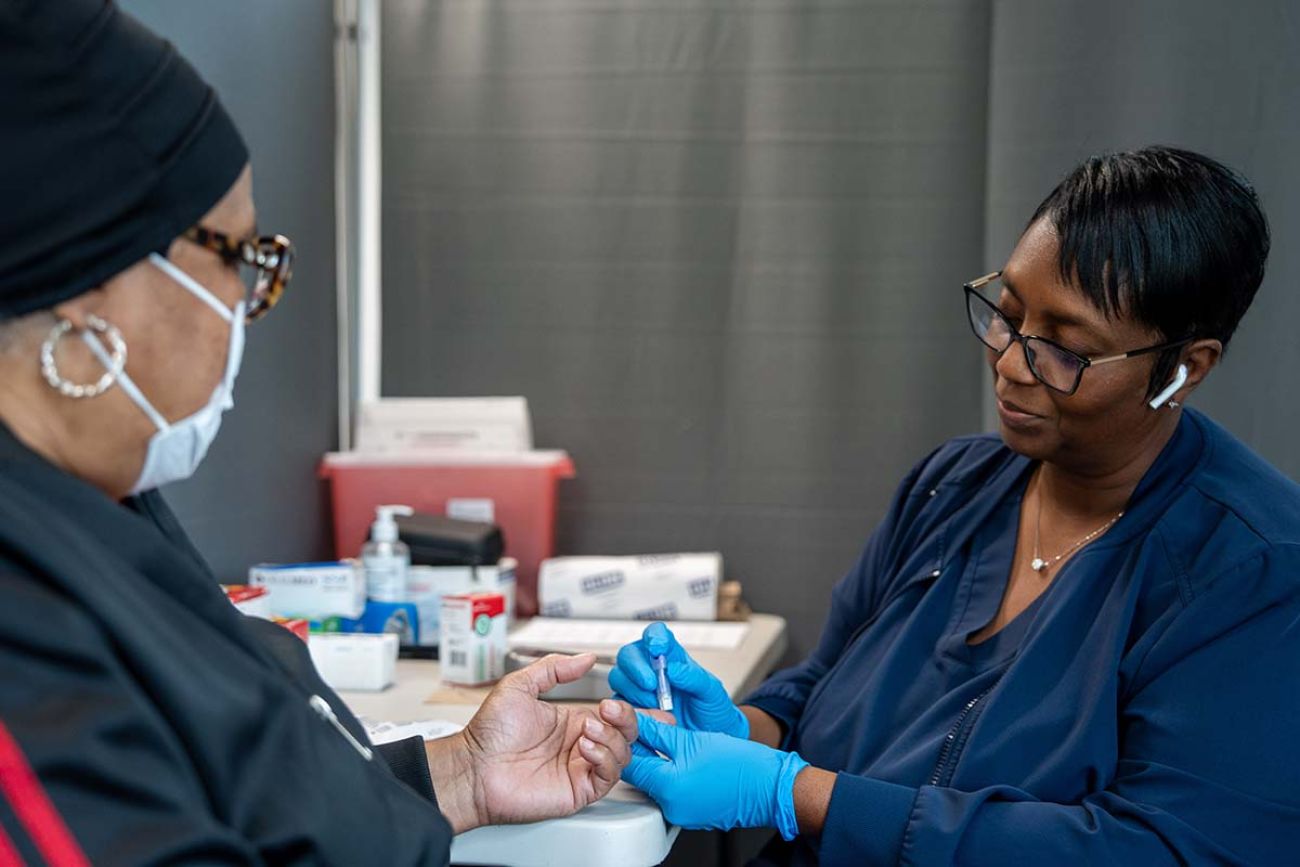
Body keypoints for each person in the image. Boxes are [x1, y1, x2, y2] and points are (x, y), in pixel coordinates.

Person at [0, 3, 636, 864]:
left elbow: (252, 781)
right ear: (90, 290)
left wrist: (461, 775)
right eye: (237, 258)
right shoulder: (25, 627)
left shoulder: (107, 503)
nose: (245, 301)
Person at [612, 146, 1300, 865]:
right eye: (1006, 316)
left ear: (1183, 369)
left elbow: (1157, 848)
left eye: (1064, 351)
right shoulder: (953, 486)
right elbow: (824, 687)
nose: (1008, 364)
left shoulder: (1254, 575)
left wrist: (797, 793)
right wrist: (739, 729)